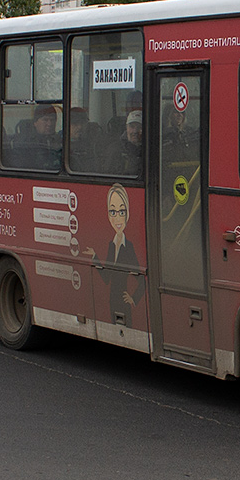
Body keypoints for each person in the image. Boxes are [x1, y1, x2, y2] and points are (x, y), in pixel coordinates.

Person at [86, 183, 145, 326]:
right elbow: (107, 277)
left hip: (124, 304)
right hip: (112, 301)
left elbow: (142, 278)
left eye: (122, 212)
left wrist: (133, 298)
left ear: (127, 214)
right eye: (113, 212)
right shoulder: (111, 245)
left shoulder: (129, 247)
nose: (117, 218)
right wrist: (95, 258)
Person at [110, 109, 143, 177]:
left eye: (139, 127)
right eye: (132, 127)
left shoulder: (152, 150)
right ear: (126, 128)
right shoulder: (115, 149)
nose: (135, 131)